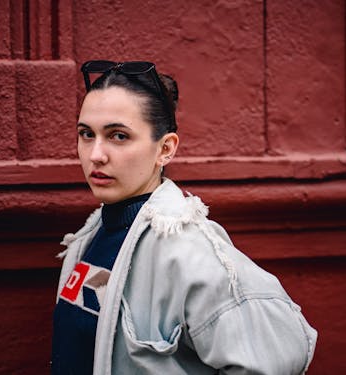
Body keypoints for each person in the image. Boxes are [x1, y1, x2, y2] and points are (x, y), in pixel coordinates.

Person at [51, 60, 317, 375]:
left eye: (118, 136)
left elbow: (276, 361)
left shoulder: (189, 251)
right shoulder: (92, 235)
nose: (96, 154)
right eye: (86, 134)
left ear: (165, 149)